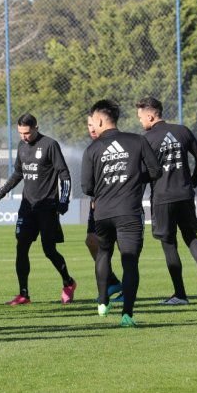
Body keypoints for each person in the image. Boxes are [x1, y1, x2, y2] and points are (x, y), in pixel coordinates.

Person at [82, 99, 162, 327]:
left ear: (99, 120)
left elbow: (87, 187)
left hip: (103, 214)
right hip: (129, 212)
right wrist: (134, 178)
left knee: (103, 253)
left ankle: (102, 302)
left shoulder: (92, 149)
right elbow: (155, 171)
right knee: (130, 262)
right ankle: (127, 314)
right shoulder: (137, 141)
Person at [136, 97, 197, 303]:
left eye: (140, 117)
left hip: (163, 198)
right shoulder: (183, 130)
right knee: (191, 236)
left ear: (150, 115)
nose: (140, 122)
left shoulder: (146, 140)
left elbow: (144, 173)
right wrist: (193, 183)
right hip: (185, 193)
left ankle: (180, 294)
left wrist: (136, 197)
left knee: (169, 243)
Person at [0, 113, 76, 305]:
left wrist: (63, 200)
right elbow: (17, 174)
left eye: (27, 133)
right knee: (21, 247)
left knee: (49, 250)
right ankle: (24, 294)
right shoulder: (22, 146)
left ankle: (68, 282)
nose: (24, 137)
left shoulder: (50, 145)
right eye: (21, 133)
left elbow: (64, 174)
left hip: (47, 206)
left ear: (36, 128)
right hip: (27, 207)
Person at [86, 116, 123, 301]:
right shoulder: (92, 148)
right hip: (98, 204)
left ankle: (127, 289)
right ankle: (112, 281)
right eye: (88, 126)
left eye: (93, 125)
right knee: (92, 241)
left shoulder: (118, 144)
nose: (91, 129)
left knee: (123, 245)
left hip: (120, 205)